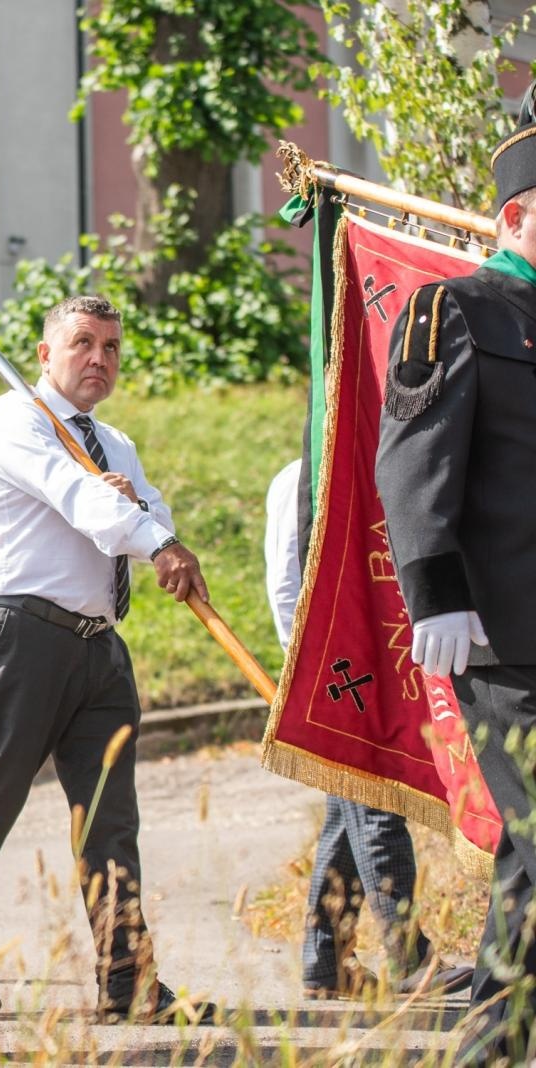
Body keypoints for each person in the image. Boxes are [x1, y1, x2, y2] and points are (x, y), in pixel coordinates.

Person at [0, 295, 217, 1024]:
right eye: (82, 343)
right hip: (23, 637)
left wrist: (142, 518)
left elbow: (152, 511)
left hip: (97, 646)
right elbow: (84, 504)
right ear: (46, 354)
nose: (98, 358)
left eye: (112, 347)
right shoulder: (16, 420)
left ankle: (129, 983)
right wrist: (135, 521)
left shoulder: (112, 441)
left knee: (111, 822)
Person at [374, 116, 536, 1063]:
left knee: (526, 864)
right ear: (517, 216)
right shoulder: (455, 311)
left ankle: (487, 1045)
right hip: (507, 635)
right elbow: (412, 466)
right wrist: (434, 594)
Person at [265, 459, 473, 1000]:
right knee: (375, 803)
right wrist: (305, 665)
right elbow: (288, 581)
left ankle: (323, 960)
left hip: (389, 664)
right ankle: (408, 956)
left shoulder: (379, 470)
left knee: (350, 805)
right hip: (336, 669)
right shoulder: (299, 479)